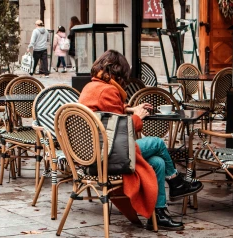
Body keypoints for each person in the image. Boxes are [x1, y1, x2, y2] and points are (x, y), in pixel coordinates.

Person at [78, 49, 203, 231]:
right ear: (118, 71)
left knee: (158, 162)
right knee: (158, 144)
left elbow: (109, 113)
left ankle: (159, 214)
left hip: (95, 152)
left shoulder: (92, 87)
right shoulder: (108, 91)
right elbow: (122, 132)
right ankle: (176, 182)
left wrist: (129, 109)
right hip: (109, 155)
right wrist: (138, 118)